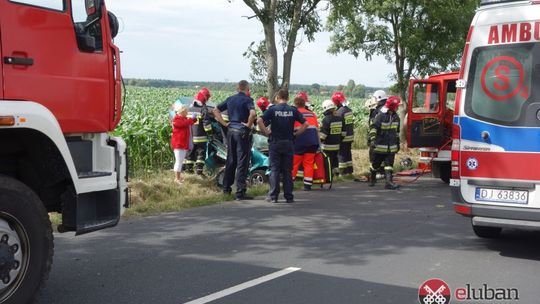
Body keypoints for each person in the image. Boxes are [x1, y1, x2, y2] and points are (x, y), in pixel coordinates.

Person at [258, 89, 308, 203]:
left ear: (277, 97)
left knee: (274, 169)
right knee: (287, 170)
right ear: (288, 98)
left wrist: (266, 132)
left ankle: (273, 196)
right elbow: (306, 124)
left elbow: (259, 120)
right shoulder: (292, 110)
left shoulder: (272, 110)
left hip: (275, 143)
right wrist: (296, 134)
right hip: (289, 143)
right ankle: (289, 196)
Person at [213, 80, 257, 200]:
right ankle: (240, 192)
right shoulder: (248, 100)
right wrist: (248, 124)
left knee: (231, 160)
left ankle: (226, 189)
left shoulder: (230, 99)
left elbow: (215, 110)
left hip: (231, 131)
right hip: (242, 133)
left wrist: (224, 123)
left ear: (238, 88)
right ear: (247, 89)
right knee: (242, 162)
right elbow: (253, 114)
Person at [368, 96, 401, 190]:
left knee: (389, 165)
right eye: (397, 106)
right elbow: (373, 128)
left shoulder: (396, 117)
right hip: (380, 146)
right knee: (375, 165)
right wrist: (373, 140)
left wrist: (397, 143)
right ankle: (372, 178)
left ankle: (389, 182)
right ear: (393, 106)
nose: (398, 107)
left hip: (391, 147)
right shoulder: (381, 116)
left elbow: (397, 132)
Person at [291, 96, 320, 191]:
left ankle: (290, 183)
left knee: (294, 163)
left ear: (295, 104)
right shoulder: (312, 114)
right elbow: (317, 130)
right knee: (309, 163)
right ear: (304, 104)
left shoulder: (294, 114)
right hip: (312, 142)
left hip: (299, 141)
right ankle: (307, 185)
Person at [184, 88, 212, 175]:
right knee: (201, 152)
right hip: (201, 137)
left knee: (190, 152)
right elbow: (206, 123)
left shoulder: (190, 108)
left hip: (190, 137)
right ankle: (199, 170)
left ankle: (189, 170)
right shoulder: (203, 109)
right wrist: (210, 133)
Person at [171, 104, 196, 184]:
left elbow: (189, 122)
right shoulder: (176, 119)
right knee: (178, 161)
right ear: (181, 112)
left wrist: (194, 119)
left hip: (182, 143)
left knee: (180, 161)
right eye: (186, 111)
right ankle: (176, 179)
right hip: (179, 144)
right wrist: (191, 119)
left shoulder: (183, 119)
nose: (187, 112)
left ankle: (178, 177)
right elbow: (183, 124)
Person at [332, 91, 355, 176]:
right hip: (350, 136)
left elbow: (340, 126)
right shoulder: (349, 110)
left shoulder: (339, 112)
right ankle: (349, 171)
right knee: (348, 154)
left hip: (343, 137)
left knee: (341, 154)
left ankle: (342, 172)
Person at [319, 99, 342, 174]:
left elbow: (323, 135)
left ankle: (329, 175)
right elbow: (343, 132)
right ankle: (336, 174)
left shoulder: (326, 119)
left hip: (327, 146)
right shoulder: (339, 118)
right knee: (335, 160)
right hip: (337, 145)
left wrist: (319, 142)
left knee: (328, 161)